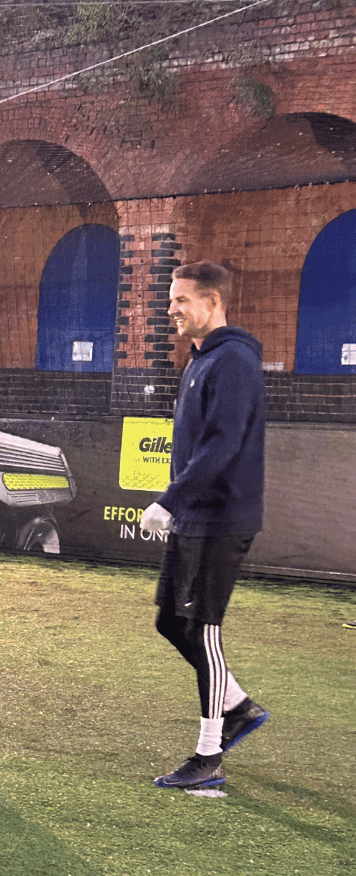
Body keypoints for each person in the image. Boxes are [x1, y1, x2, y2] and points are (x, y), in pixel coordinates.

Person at [142, 262, 269, 790]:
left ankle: (208, 756)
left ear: (213, 302)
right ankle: (238, 706)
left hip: (221, 518)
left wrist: (169, 499)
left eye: (181, 300)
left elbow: (222, 445)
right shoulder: (201, 360)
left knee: (204, 629)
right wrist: (178, 505)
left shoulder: (234, 360)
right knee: (171, 622)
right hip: (194, 517)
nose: (171, 309)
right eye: (171, 299)